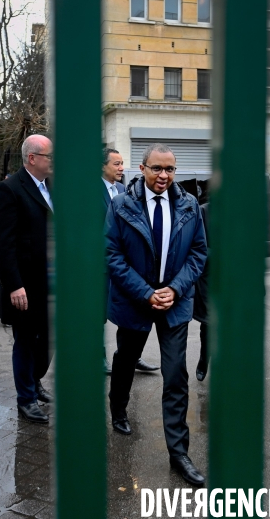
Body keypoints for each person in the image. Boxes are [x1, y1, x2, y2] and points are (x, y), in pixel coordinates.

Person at [105, 143, 207, 485]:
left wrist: (175, 289)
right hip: (136, 299)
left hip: (174, 302)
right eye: (157, 168)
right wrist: (146, 292)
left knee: (176, 374)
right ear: (142, 168)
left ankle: (179, 452)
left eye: (170, 170)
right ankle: (118, 407)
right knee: (127, 358)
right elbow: (112, 255)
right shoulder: (122, 205)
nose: (164, 176)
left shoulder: (190, 205)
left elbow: (198, 253)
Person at [0, 135, 54, 424]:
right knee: (27, 342)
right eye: (49, 156)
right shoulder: (9, 190)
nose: (53, 161)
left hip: (50, 283)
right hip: (25, 285)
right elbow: (3, 244)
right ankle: (26, 399)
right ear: (32, 158)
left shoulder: (51, 187)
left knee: (47, 341)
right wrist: (15, 285)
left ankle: (34, 381)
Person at [101, 148, 159, 375]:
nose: (121, 168)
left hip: (126, 267)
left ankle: (133, 356)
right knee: (100, 315)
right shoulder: (91, 191)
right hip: (102, 265)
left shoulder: (125, 190)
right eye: (116, 164)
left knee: (130, 316)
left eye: (122, 163)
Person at [193, 203, 209, 381]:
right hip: (210, 279)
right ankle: (204, 361)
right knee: (209, 325)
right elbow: (199, 247)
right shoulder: (205, 211)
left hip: (235, 281)